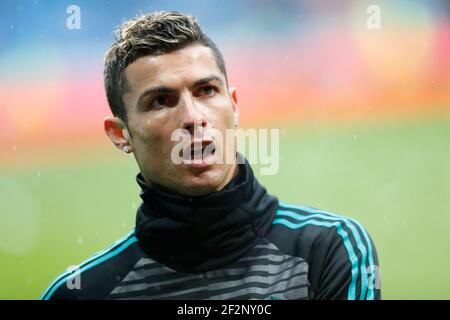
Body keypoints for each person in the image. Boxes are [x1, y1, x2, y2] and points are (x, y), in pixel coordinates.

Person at [41, 11, 380, 300]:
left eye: (206, 91)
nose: (192, 117)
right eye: (161, 100)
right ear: (120, 134)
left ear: (233, 105)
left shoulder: (328, 250)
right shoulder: (82, 291)